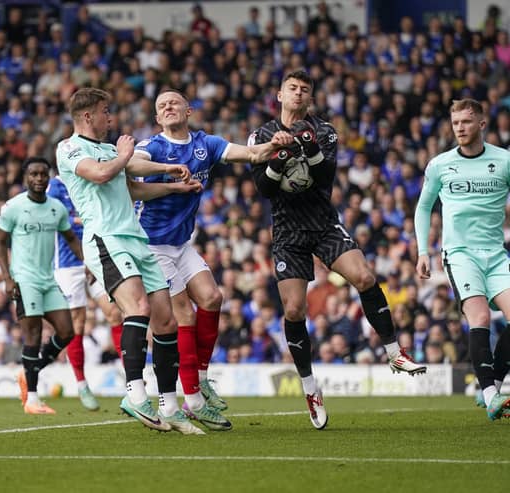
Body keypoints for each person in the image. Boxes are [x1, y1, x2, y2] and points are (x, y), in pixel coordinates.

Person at [250, 70, 427, 430]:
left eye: (304, 91)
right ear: (279, 94)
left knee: (364, 276)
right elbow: (263, 190)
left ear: (310, 98)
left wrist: (306, 144)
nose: (298, 95)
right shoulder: (261, 135)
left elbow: (324, 176)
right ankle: (310, 388)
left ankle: (394, 353)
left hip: (323, 224)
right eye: (292, 89)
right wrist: (280, 156)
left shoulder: (325, 131)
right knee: (295, 309)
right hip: (287, 232)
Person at [128, 89, 294, 430]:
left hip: (181, 244)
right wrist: (168, 170)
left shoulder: (207, 144)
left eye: (174, 102)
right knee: (183, 313)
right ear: (157, 118)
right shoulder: (154, 147)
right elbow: (132, 164)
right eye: (161, 106)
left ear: (188, 110)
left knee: (213, 297)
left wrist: (276, 145)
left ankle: (200, 378)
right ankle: (192, 400)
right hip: (151, 246)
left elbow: (250, 154)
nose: (168, 108)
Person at [56, 87, 206, 434]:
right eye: (105, 111)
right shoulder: (69, 148)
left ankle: (169, 405)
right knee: (137, 307)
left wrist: (173, 186)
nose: (111, 117)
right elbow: (99, 174)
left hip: (136, 238)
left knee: (166, 321)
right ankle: (135, 393)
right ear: (88, 115)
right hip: (105, 239)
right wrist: (124, 155)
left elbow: (133, 190)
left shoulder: (110, 150)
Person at [415, 98, 510, 421]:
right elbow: (423, 207)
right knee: (480, 316)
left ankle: (492, 383)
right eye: (455, 123)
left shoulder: (504, 160)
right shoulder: (440, 164)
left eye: (467, 122)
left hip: (496, 254)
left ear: (482, 124)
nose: (460, 128)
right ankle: (490, 395)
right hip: (460, 254)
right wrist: (422, 252)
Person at [0, 156, 83, 415]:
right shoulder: (13, 207)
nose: (39, 179)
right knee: (32, 334)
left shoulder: (57, 208)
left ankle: (28, 371)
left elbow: (70, 238)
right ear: (26, 177)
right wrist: (8, 278)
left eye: (43, 174)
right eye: (34, 174)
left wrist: (87, 262)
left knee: (67, 332)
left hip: (48, 278)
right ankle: (32, 399)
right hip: (24, 279)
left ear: (48, 177)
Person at [47, 172, 124, 411]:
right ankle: (81, 384)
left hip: (95, 257)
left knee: (115, 313)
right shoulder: (55, 186)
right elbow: (59, 221)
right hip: (69, 264)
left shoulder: (90, 182)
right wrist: (84, 220)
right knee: (77, 324)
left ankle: (132, 380)